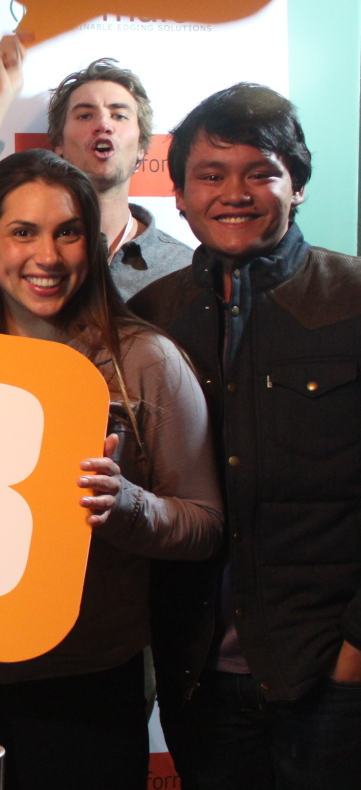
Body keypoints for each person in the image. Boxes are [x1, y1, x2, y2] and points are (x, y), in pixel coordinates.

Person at [0, 149, 222, 790]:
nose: (46, 256)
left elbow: (205, 523)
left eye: (68, 232)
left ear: (93, 246)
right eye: (23, 232)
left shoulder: (145, 361)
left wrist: (127, 507)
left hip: (85, 687)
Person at [130, 84, 361, 790]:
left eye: (260, 172)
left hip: (331, 679)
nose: (234, 192)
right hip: (199, 681)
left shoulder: (352, 300)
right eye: (211, 174)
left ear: (297, 186)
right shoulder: (151, 317)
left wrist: (354, 653)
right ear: (179, 195)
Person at [0, 37, 192, 298]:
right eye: (85, 115)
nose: (103, 124)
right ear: (59, 145)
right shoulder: (20, 255)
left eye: (119, 115)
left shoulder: (182, 268)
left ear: (143, 148)